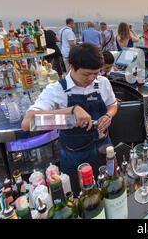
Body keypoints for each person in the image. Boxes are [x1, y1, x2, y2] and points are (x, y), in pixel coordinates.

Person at [22, 43, 118, 195]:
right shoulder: (56, 90)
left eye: (96, 73)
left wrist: (108, 115)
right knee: (81, 196)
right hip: (75, 155)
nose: (92, 78)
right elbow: (27, 123)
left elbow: (113, 105)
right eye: (87, 74)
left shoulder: (102, 83)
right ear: (72, 66)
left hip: (103, 147)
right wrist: (70, 110)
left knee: (110, 189)